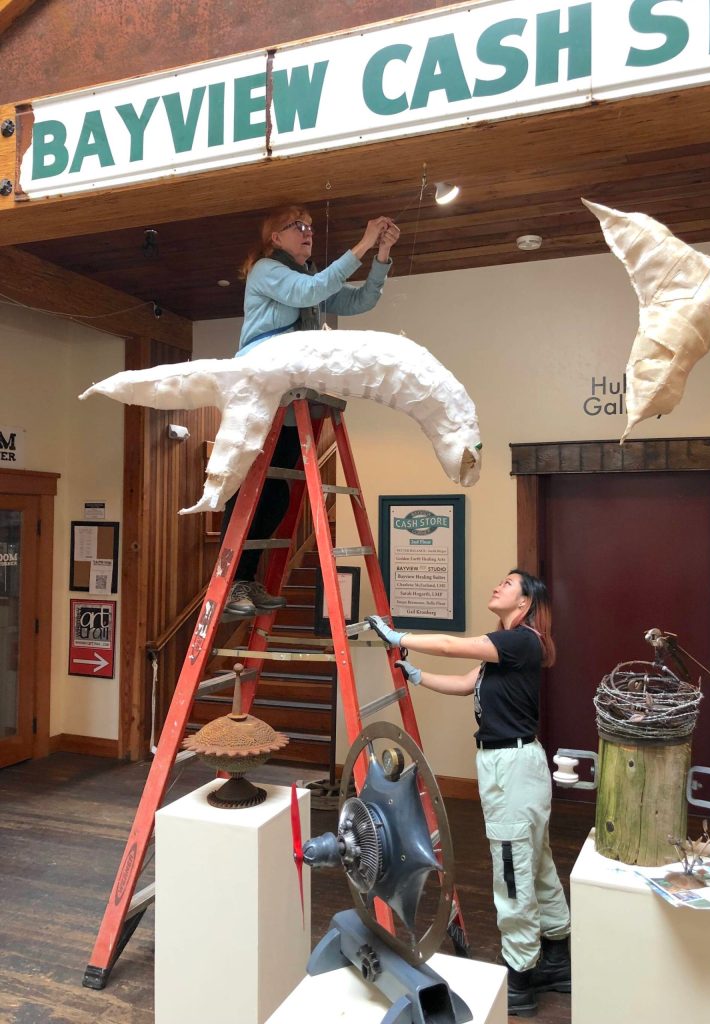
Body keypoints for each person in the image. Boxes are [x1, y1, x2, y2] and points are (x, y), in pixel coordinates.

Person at [367, 570, 571, 1018]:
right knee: (534, 862)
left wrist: (400, 636)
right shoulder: (507, 646)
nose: (498, 584)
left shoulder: (521, 641)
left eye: (509, 583)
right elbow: (465, 683)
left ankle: (519, 980)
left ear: (524, 603)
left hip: (511, 766)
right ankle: (557, 961)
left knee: (513, 868)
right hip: (513, 764)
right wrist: (417, 676)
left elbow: (449, 644)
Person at [222, 204, 400, 616]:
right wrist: (363, 243)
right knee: (251, 489)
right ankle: (232, 585)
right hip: (263, 384)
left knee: (276, 496)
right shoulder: (268, 270)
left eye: (310, 227)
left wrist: (382, 257)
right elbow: (307, 293)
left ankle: (246, 581)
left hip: (291, 394)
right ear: (275, 238)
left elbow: (360, 301)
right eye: (296, 226)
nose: (307, 232)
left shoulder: (308, 276)